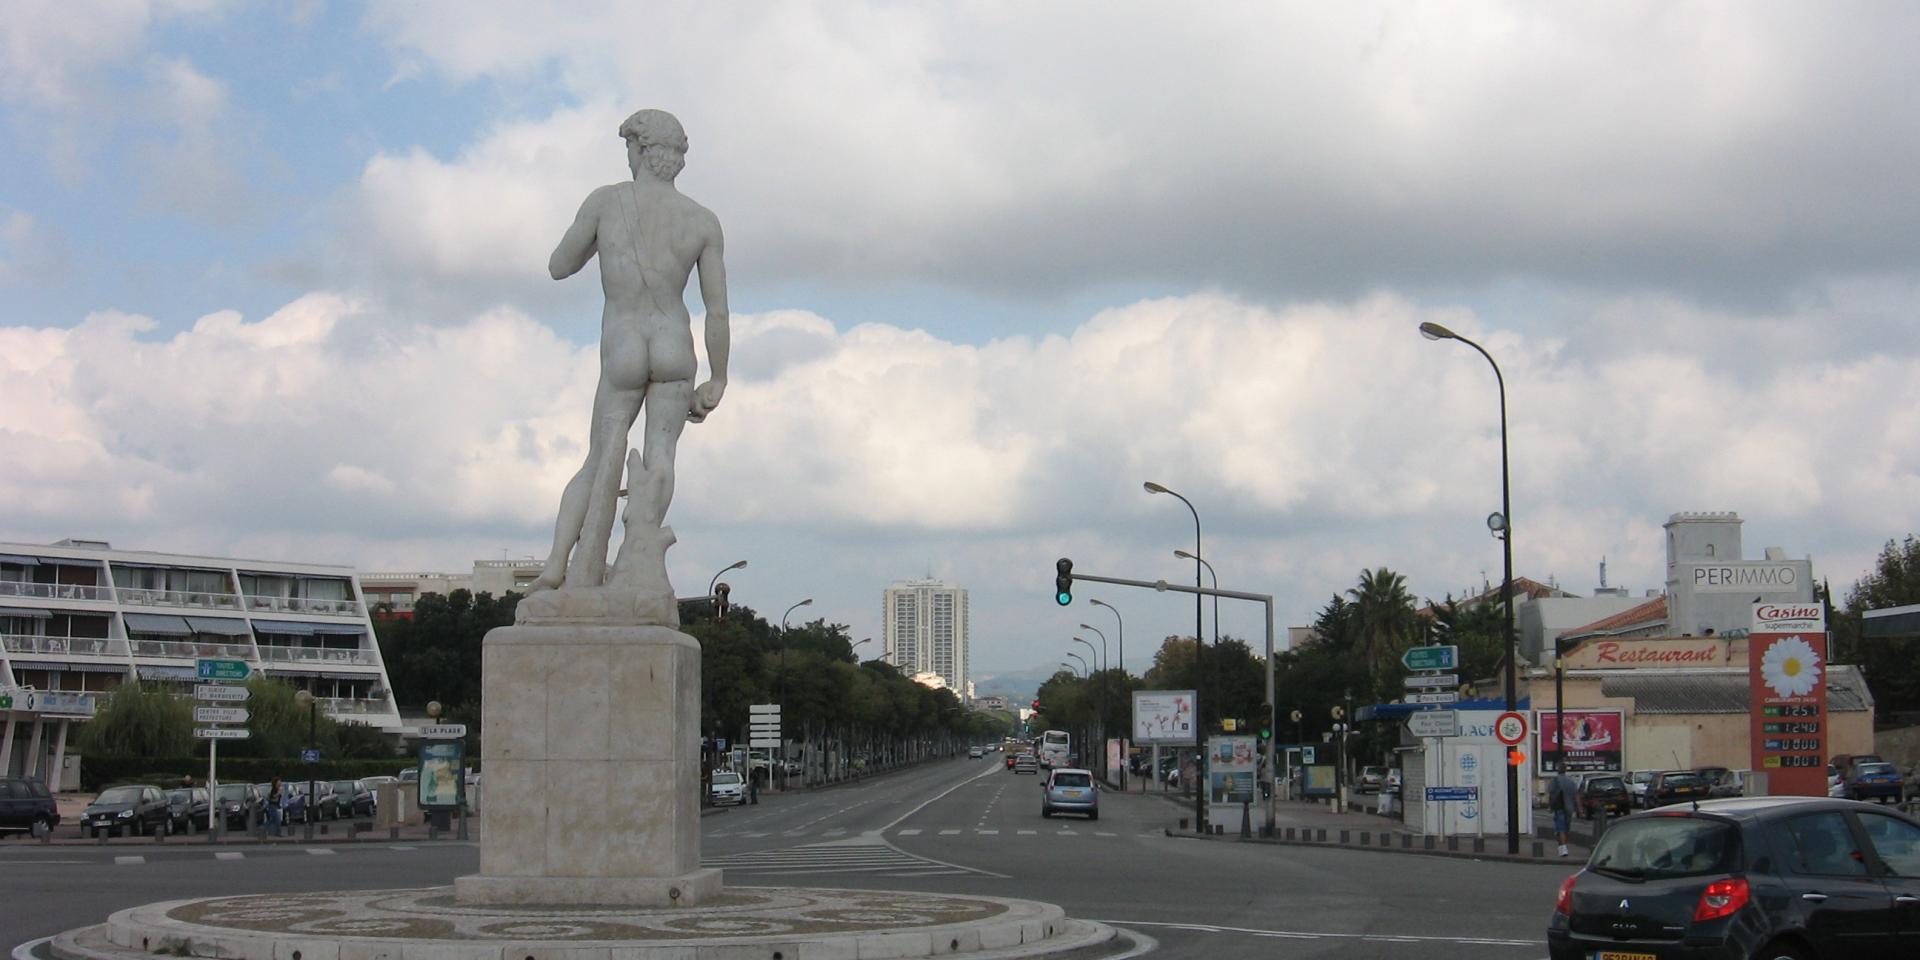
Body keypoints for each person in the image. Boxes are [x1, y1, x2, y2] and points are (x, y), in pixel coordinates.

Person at [532, 108, 730, 592]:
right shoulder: (701, 220)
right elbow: (717, 311)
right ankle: (635, 563)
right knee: (661, 455)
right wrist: (718, 378)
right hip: (673, 344)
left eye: (628, 148)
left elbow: (560, 266)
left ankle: (558, 566)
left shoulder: (605, 202)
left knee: (599, 458)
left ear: (640, 151)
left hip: (622, 342)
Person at [1548, 769, 1580, 857]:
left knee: (1561, 829)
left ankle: (1563, 848)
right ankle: (1563, 846)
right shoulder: (1571, 782)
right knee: (1566, 828)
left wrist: (1550, 806)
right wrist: (1580, 809)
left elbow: (1551, 794)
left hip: (1559, 808)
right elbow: (1576, 796)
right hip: (1569, 809)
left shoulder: (1554, 781)